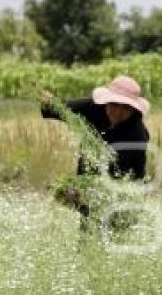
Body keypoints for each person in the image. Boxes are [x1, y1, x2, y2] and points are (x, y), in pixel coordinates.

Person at [41, 75, 151, 228]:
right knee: (87, 230)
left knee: (113, 230)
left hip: (120, 186)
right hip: (88, 172)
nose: (118, 112)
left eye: (125, 108)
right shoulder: (93, 107)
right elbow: (56, 108)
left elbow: (122, 177)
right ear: (106, 101)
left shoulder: (136, 137)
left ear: (133, 109)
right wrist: (45, 99)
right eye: (114, 104)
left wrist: (80, 190)